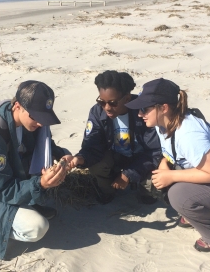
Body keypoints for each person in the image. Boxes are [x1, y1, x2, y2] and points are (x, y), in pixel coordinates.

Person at [125, 78, 210, 252]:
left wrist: (170, 176)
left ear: (164, 108)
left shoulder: (188, 133)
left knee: (178, 195)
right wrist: (164, 163)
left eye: (144, 109)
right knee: (161, 177)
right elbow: (172, 152)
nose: (140, 114)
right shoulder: (163, 123)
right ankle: (199, 212)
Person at [0, 80, 71, 260]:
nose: (41, 123)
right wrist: (40, 184)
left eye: (44, 117)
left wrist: (63, 156)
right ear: (18, 106)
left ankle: (26, 205)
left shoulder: (26, 120)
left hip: (3, 178)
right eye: (36, 117)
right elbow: (2, 189)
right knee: (37, 227)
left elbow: (44, 146)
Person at [66, 71, 161, 204]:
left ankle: (144, 189)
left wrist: (129, 173)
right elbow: (92, 146)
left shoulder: (144, 111)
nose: (107, 108)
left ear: (127, 98)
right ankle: (108, 190)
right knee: (97, 165)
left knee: (154, 180)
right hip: (114, 158)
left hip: (141, 159)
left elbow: (155, 151)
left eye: (113, 103)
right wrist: (79, 159)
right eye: (101, 101)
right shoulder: (97, 112)